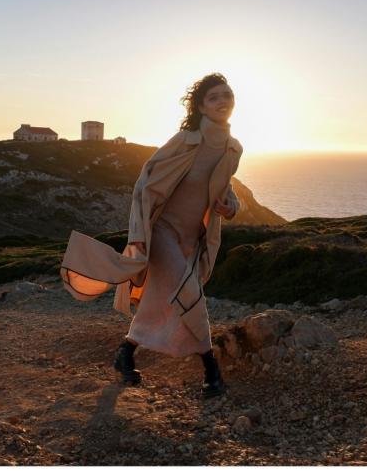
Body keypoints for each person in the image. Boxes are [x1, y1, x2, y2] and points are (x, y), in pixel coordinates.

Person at [60, 72, 243, 399]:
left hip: (192, 238)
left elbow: (225, 189)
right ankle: (211, 370)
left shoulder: (233, 148)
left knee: (162, 298)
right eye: (214, 96)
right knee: (190, 293)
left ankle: (125, 353)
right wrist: (140, 232)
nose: (222, 101)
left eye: (226, 94)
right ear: (201, 105)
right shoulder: (186, 140)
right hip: (161, 232)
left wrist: (231, 206)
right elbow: (146, 181)